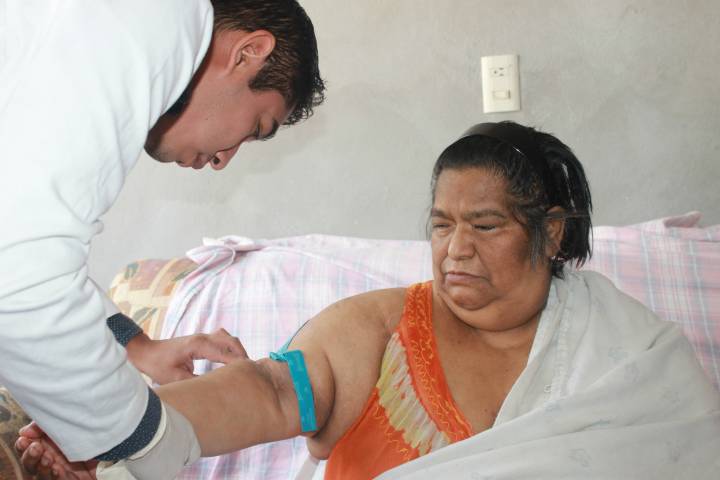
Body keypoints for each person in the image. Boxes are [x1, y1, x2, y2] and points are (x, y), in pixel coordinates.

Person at [21, 122, 720, 479]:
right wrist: (110, 427)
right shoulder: (381, 327)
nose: (455, 249)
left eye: (485, 226)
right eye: (441, 225)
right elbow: (270, 390)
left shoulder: (630, 351)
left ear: (554, 232)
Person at [0, 0, 324, 478]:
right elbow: (20, 275)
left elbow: (22, 247)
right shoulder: (157, 16)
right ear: (248, 52)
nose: (223, 160)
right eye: (255, 127)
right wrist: (146, 438)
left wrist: (139, 349)